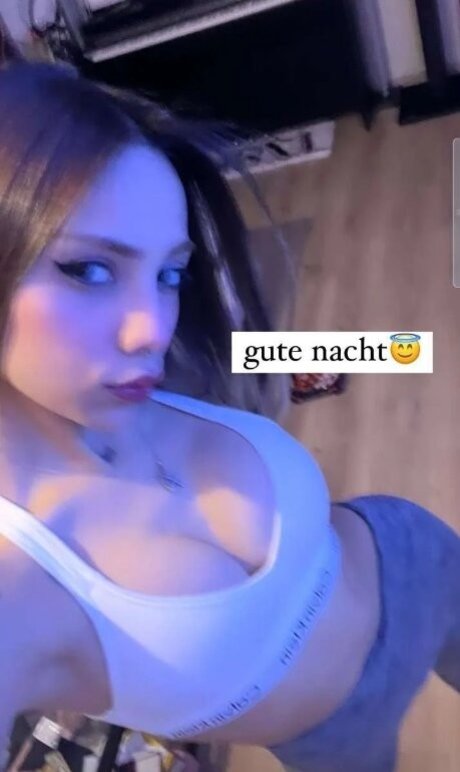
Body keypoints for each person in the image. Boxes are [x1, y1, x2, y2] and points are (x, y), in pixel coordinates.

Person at [0, 60, 458, 772]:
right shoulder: (16, 590)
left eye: (170, 273)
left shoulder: (146, 372)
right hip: (340, 741)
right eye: (88, 269)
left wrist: (408, 348)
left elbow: (258, 354)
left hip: (412, 553)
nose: (152, 327)